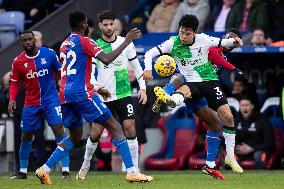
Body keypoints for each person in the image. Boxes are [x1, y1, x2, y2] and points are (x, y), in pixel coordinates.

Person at [34, 9, 153, 185]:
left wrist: (97, 87)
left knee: (75, 136)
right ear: (83, 25)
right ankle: (132, 171)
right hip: (82, 93)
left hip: (65, 95)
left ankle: (44, 169)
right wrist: (127, 41)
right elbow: (106, 59)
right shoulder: (86, 41)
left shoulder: (64, 44)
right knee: (116, 127)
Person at [143, 15, 244, 179]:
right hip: (189, 83)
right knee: (183, 84)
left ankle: (221, 161)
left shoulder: (204, 40)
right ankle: (171, 99)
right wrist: (148, 68)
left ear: (195, 33)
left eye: (187, 33)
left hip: (209, 82)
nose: (183, 36)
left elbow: (223, 43)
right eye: (181, 32)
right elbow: (149, 53)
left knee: (222, 120)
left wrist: (235, 42)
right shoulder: (173, 42)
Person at [76, 10, 148, 179]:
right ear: (100, 26)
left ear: (115, 23)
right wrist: (95, 88)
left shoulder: (125, 43)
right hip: (103, 96)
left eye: (111, 24)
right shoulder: (95, 45)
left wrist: (143, 87)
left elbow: (137, 67)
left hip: (123, 93)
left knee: (130, 126)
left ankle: (134, 169)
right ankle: (85, 164)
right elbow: (90, 73)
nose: (109, 27)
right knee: (96, 132)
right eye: (105, 25)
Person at [8, 31, 70, 179]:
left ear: (35, 40)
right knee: (26, 136)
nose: (28, 42)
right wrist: (12, 99)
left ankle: (66, 169)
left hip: (51, 100)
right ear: (22, 43)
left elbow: (61, 71)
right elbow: (14, 83)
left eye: (30, 39)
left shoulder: (48, 53)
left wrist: (65, 89)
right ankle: (22, 171)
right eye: (25, 41)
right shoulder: (18, 62)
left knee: (58, 130)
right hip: (31, 103)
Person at [235, 96, 275, 169]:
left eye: (247, 105)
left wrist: (252, 148)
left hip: (258, 150)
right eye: (242, 105)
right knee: (230, 154)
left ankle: (261, 177)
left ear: (252, 106)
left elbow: (269, 143)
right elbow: (232, 138)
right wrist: (238, 147)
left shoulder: (263, 120)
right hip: (242, 150)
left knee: (258, 155)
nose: (244, 108)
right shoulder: (236, 120)